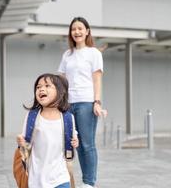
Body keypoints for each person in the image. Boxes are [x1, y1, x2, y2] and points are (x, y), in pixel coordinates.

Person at [58, 17, 106, 188]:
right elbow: (62, 80)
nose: (77, 32)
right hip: (69, 104)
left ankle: (89, 183)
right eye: (73, 29)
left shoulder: (94, 53)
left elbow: (97, 80)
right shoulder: (67, 55)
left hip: (86, 103)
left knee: (87, 144)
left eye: (80, 28)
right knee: (74, 144)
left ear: (87, 31)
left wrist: (97, 102)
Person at [17, 73, 79, 188]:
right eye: (38, 87)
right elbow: (26, 146)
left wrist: (75, 142)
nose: (41, 89)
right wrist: (22, 143)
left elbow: (73, 137)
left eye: (47, 86)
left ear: (60, 92)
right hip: (37, 179)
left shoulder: (68, 118)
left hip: (61, 177)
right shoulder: (32, 116)